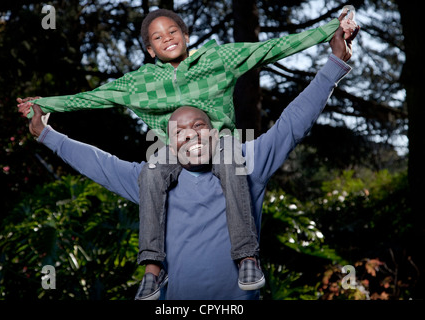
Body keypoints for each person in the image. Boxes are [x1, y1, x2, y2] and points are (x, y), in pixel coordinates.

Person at [18, 8, 357, 300]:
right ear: (150, 50)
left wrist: (331, 37)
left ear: (186, 34)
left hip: (226, 150)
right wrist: (45, 111)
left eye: (173, 31)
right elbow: (93, 102)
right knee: (151, 172)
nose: (167, 39)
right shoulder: (140, 87)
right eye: (157, 37)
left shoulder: (218, 65)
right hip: (173, 296)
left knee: (230, 159)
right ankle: (152, 268)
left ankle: (247, 258)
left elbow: (273, 57)